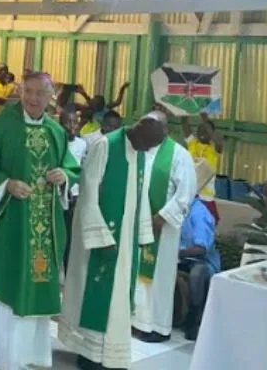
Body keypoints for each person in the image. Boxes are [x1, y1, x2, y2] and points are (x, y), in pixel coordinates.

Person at [0, 72, 79, 370]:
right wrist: (4, 184)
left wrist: (63, 176)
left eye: (41, 93)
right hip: (3, 224)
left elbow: (71, 168)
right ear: (21, 92)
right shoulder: (0, 127)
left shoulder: (55, 131)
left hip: (39, 232)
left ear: (52, 97)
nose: (34, 99)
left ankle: (24, 356)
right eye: (29, 92)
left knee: (32, 282)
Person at [59, 114, 168, 370]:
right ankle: (89, 354)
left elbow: (140, 195)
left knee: (119, 298)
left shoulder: (139, 151)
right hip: (101, 239)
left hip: (125, 240)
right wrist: (100, 236)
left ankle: (110, 353)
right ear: (139, 128)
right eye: (148, 143)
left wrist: (142, 235)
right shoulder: (105, 146)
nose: (148, 149)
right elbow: (88, 190)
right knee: (95, 294)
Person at [132, 111, 197, 343]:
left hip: (162, 227)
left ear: (165, 129)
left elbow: (186, 191)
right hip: (135, 224)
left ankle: (157, 327)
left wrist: (163, 216)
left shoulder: (179, 155)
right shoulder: (138, 150)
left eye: (152, 126)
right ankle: (137, 321)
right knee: (135, 274)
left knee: (158, 277)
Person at [178, 197, 220, 341]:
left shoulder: (199, 212)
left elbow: (200, 249)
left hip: (203, 262)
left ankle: (194, 318)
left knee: (197, 273)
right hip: (180, 259)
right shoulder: (177, 208)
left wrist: (175, 252)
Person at [182, 113, 223, 203]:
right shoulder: (192, 143)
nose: (202, 132)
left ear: (211, 133)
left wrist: (205, 121)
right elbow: (185, 125)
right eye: (200, 129)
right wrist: (184, 113)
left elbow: (218, 144)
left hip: (206, 197)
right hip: (189, 194)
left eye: (206, 130)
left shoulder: (214, 148)